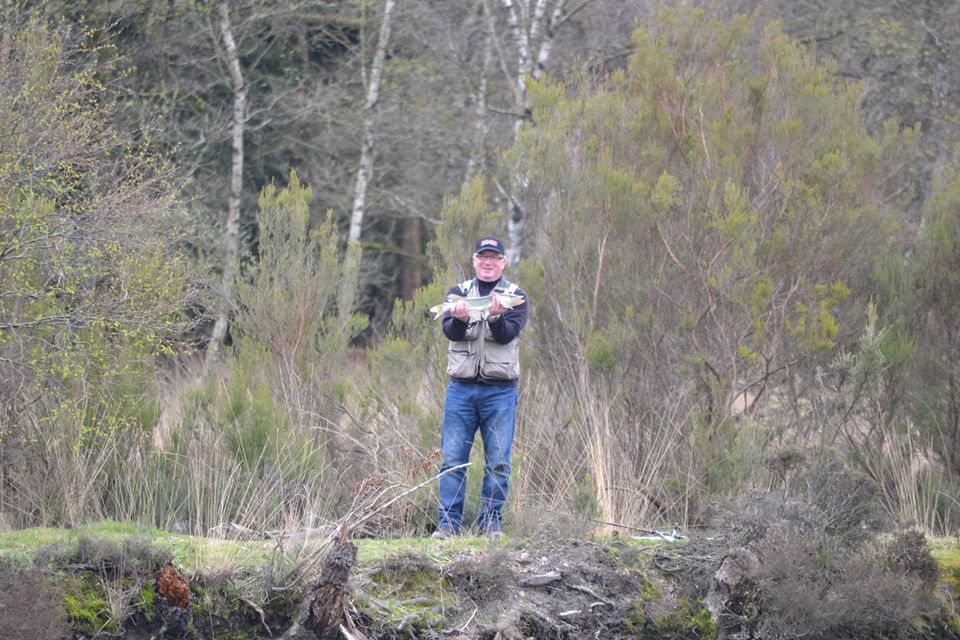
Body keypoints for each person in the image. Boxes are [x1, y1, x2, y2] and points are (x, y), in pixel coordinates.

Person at [433, 236, 529, 539]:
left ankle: (491, 524)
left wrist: (497, 315)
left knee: (498, 462)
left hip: (500, 392)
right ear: (475, 260)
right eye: (482, 257)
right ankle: (448, 525)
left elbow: (507, 335)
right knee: (452, 460)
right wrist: (458, 318)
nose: (488, 262)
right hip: (460, 390)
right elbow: (450, 332)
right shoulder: (458, 293)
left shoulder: (516, 296)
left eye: (494, 257)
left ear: (503, 262)